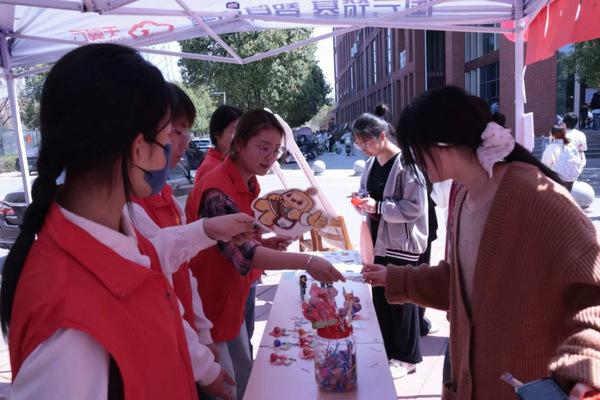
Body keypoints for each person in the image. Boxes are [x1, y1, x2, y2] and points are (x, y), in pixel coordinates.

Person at [362, 85, 600, 400]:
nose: (412, 160)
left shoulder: (537, 198)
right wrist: (394, 278)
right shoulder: (465, 198)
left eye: (414, 150)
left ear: (441, 145)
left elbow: (592, 295)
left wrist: (585, 368)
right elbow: (462, 283)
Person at [0, 44, 201, 399]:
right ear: (139, 149)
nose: (173, 148)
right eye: (167, 135)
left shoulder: (123, 238)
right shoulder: (70, 329)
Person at [185, 109, 345, 400]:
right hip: (209, 303)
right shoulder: (216, 188)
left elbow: (238, 240)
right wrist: (308, 261)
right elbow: (245, 255)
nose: (270, 157)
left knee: (245, 376)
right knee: (224, 386)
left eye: (276, 150)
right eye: (262, 148)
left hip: (231, 297)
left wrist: (266, 242)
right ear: (238, 143)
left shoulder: (248, 182)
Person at [129, 84, 259, 400]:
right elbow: (157, 280)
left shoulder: (163, 193)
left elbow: (182, 275)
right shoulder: (212, 181)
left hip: (197, 326)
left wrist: (202, 336)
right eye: (175, 132)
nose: (183, 143)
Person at [350, 111, 428, 380]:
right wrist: (361, 201)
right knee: (381, 298)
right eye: (358, 144)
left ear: (382, 136)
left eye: (367, 142)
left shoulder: (407, 164)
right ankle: (388, 352)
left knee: (402, 299)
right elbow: (367, 194)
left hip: (401, 244)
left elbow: (416, 207)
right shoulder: (371, 163)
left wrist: (380, 206)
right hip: (377, 242)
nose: (363, 148)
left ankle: (407, 358)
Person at [195, 105, 243, 183]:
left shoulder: (231, 162)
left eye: (242, 131)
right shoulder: (210, 168)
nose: (240, 137)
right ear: (217, 134)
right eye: (234, 132)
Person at [542, 124, 583, 192]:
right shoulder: (571, 145)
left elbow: (545, 165)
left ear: (553, 135)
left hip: (557, 179)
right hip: (571, 179)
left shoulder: (551, 147)